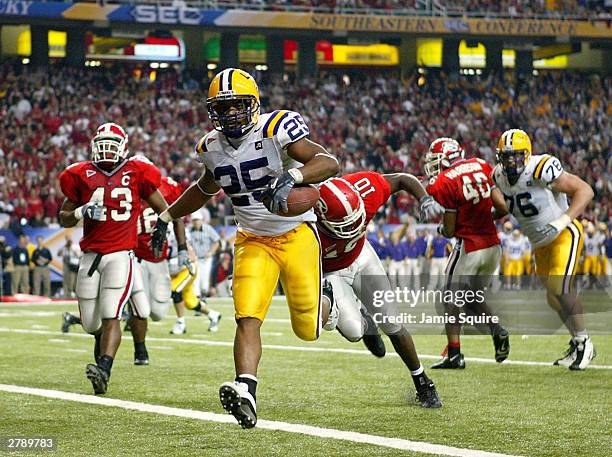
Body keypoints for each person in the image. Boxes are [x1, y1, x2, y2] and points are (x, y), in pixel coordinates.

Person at [152, 68, 339, 428]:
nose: (231, 114)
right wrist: (165, 215)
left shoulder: (276, 128)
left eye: (237, 106)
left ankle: (328, 298)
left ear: (253, 104)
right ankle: (246, 389)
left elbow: (328, 162)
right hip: (252, 238)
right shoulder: (210, 147)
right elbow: (204, 189)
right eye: (223, 108)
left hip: (296, 233)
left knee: (308, 329)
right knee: (247, 315)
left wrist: (293, 176)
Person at [58, 122, 172, 395]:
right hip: (90, 255)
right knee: (91, 323)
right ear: (93, 146)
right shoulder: (79, 174)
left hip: (121, 254)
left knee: (112, 314)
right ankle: (101, 362)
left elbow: (163, 207)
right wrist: (81, 211)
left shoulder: (137, 171)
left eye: (113, 143)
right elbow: (63, 217)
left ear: (124, 148)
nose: (107, 148)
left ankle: (104, 369)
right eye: (102, 143)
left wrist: (163, 228)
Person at [316, 172, 443, 408]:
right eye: (346, 225)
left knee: (393, 322)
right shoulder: (304, 227)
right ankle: (367, 324)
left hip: (362, 255)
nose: (354, 226)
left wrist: (424, 199)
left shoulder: (364, 189)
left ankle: (423, 382)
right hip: (332, 273)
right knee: (353, 331)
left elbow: (403, 179)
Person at [493, 128, 595, 370]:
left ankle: (585, 343)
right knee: (552, 297)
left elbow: (585, 190)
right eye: (505, 156)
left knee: (560, 285)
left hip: (564, 234)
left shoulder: (541, 167)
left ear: (526, 155)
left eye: (516, 156)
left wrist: (562, 220)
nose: (510, 162)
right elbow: (509, 207)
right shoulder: (498, 176)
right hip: (539, 242)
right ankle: (576, 342)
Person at [425, 137, 510, 369]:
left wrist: (442, 228)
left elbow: (450, 229)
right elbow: (502, 207)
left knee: (450, 298)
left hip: (469, 246)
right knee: (470, 299)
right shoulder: (482, 165)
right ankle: (497, 329)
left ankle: (454, 355)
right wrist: (483, 219)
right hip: (493, 246)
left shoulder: (445, 180)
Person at [189, 211, 220, 299]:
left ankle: (203, 295)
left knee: (204, 283)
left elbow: (217, 241)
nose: (196, 222)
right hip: (196, 259)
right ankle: (198, 300)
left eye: (197, 220)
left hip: (206, 259)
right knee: (196, 280)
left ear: (201, 220)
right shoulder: (189, 230)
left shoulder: (208, 229)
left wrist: (211, 252)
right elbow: (187, 244)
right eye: (194, 220)